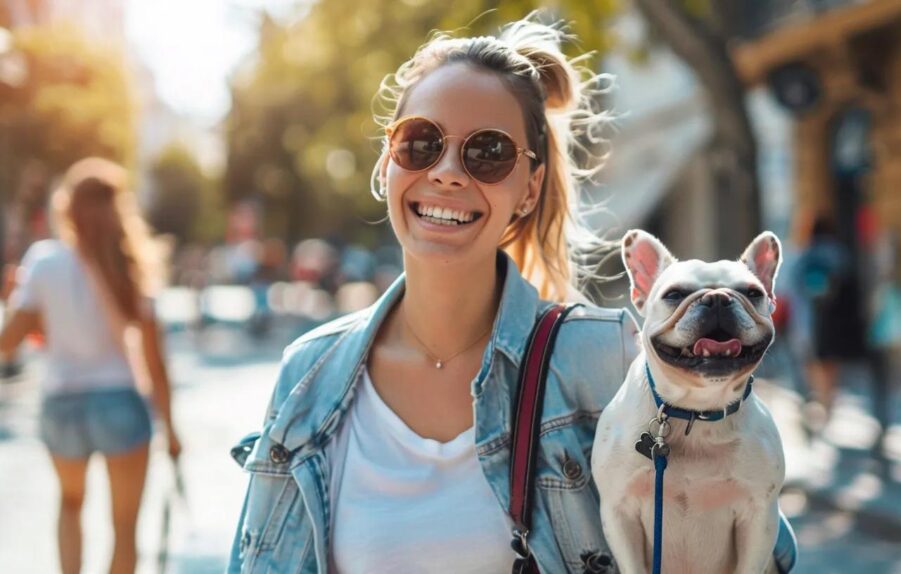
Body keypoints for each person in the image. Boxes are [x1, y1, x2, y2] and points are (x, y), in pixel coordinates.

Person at [228, 16, 796, 573]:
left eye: (489, 151)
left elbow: (758, 526)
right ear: (387, 160)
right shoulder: (309, 376)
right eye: (421, 142)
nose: (448, 172)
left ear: (529, 188)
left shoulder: (605, 356)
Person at [0, 158, 181, 574]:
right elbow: (157, 365)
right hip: (119, 401)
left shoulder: (43, 263)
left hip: (62, 403)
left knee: (69, 505)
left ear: (66, 207)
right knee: (124, 527)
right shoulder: (131, 266)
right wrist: (171, 431)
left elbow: (7, 344)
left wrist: (22, 306)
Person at [793, 215, 865, 422]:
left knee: (812, 362)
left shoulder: (806, 254)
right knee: (831, 364)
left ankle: (818, 399)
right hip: (835, 321)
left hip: (808, 320)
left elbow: (795, 287)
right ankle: (828, 402)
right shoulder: (839, 254)